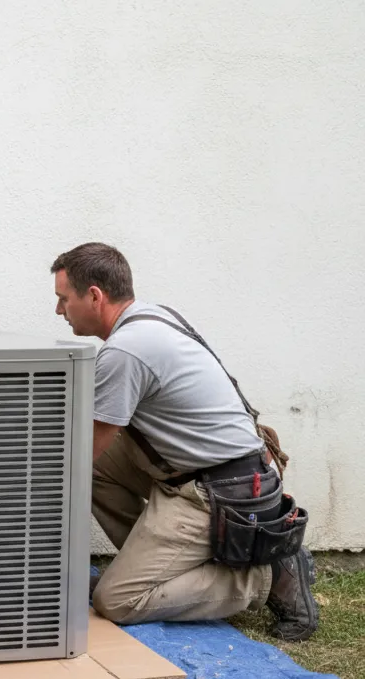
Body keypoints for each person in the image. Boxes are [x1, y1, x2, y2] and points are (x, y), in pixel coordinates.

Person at [50, 242, 317, 640]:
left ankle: (265, 572)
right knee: (92, 468)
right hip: (198, 470)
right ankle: (156, 567)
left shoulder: (125, 350)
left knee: (116, 601)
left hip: (218, 492)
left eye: (63, 299)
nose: (59, 311)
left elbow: (83, 449)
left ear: (94, 296)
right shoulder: (152, 317)